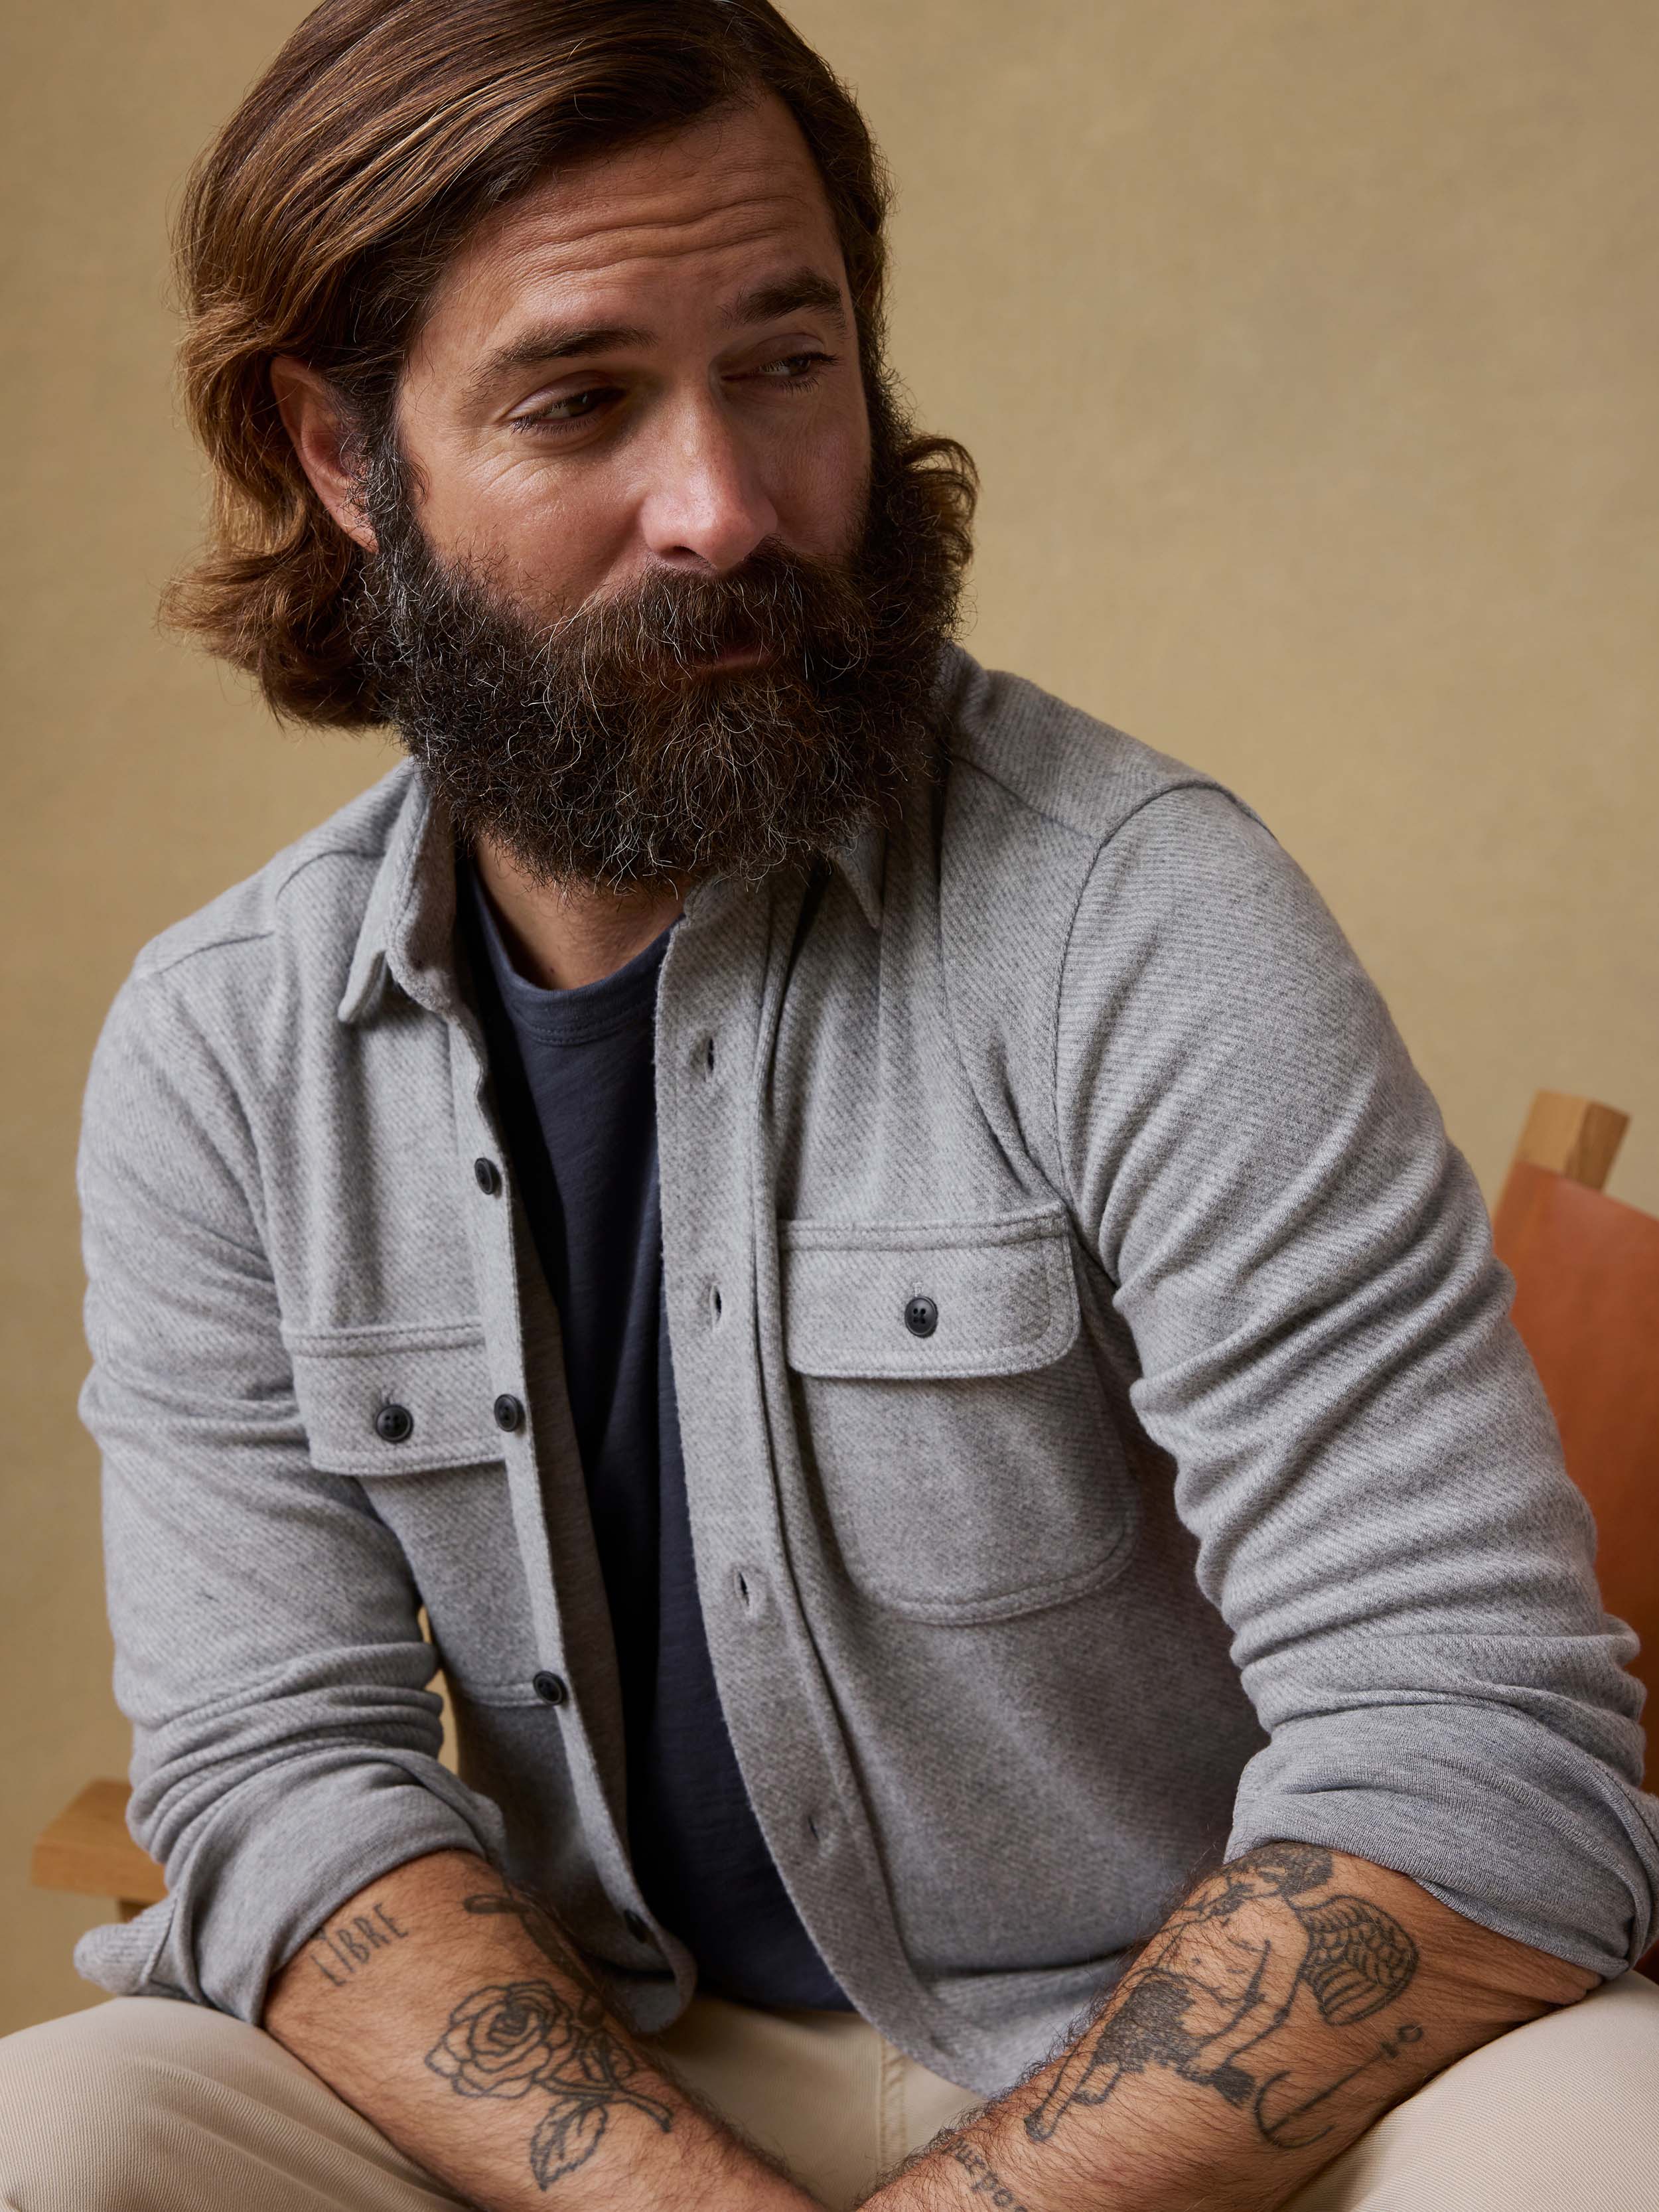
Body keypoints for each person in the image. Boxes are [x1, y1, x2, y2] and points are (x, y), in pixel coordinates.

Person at [3, 2, 1656, 2207]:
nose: (726, 503)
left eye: (786, 364)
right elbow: (273, 1771)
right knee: (61, 2133)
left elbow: (1474, 1744)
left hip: (1157, 2069)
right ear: (340, 451)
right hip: (596, 2077)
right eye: (582, 398)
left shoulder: (1137, 920)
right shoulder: (219, 1049)